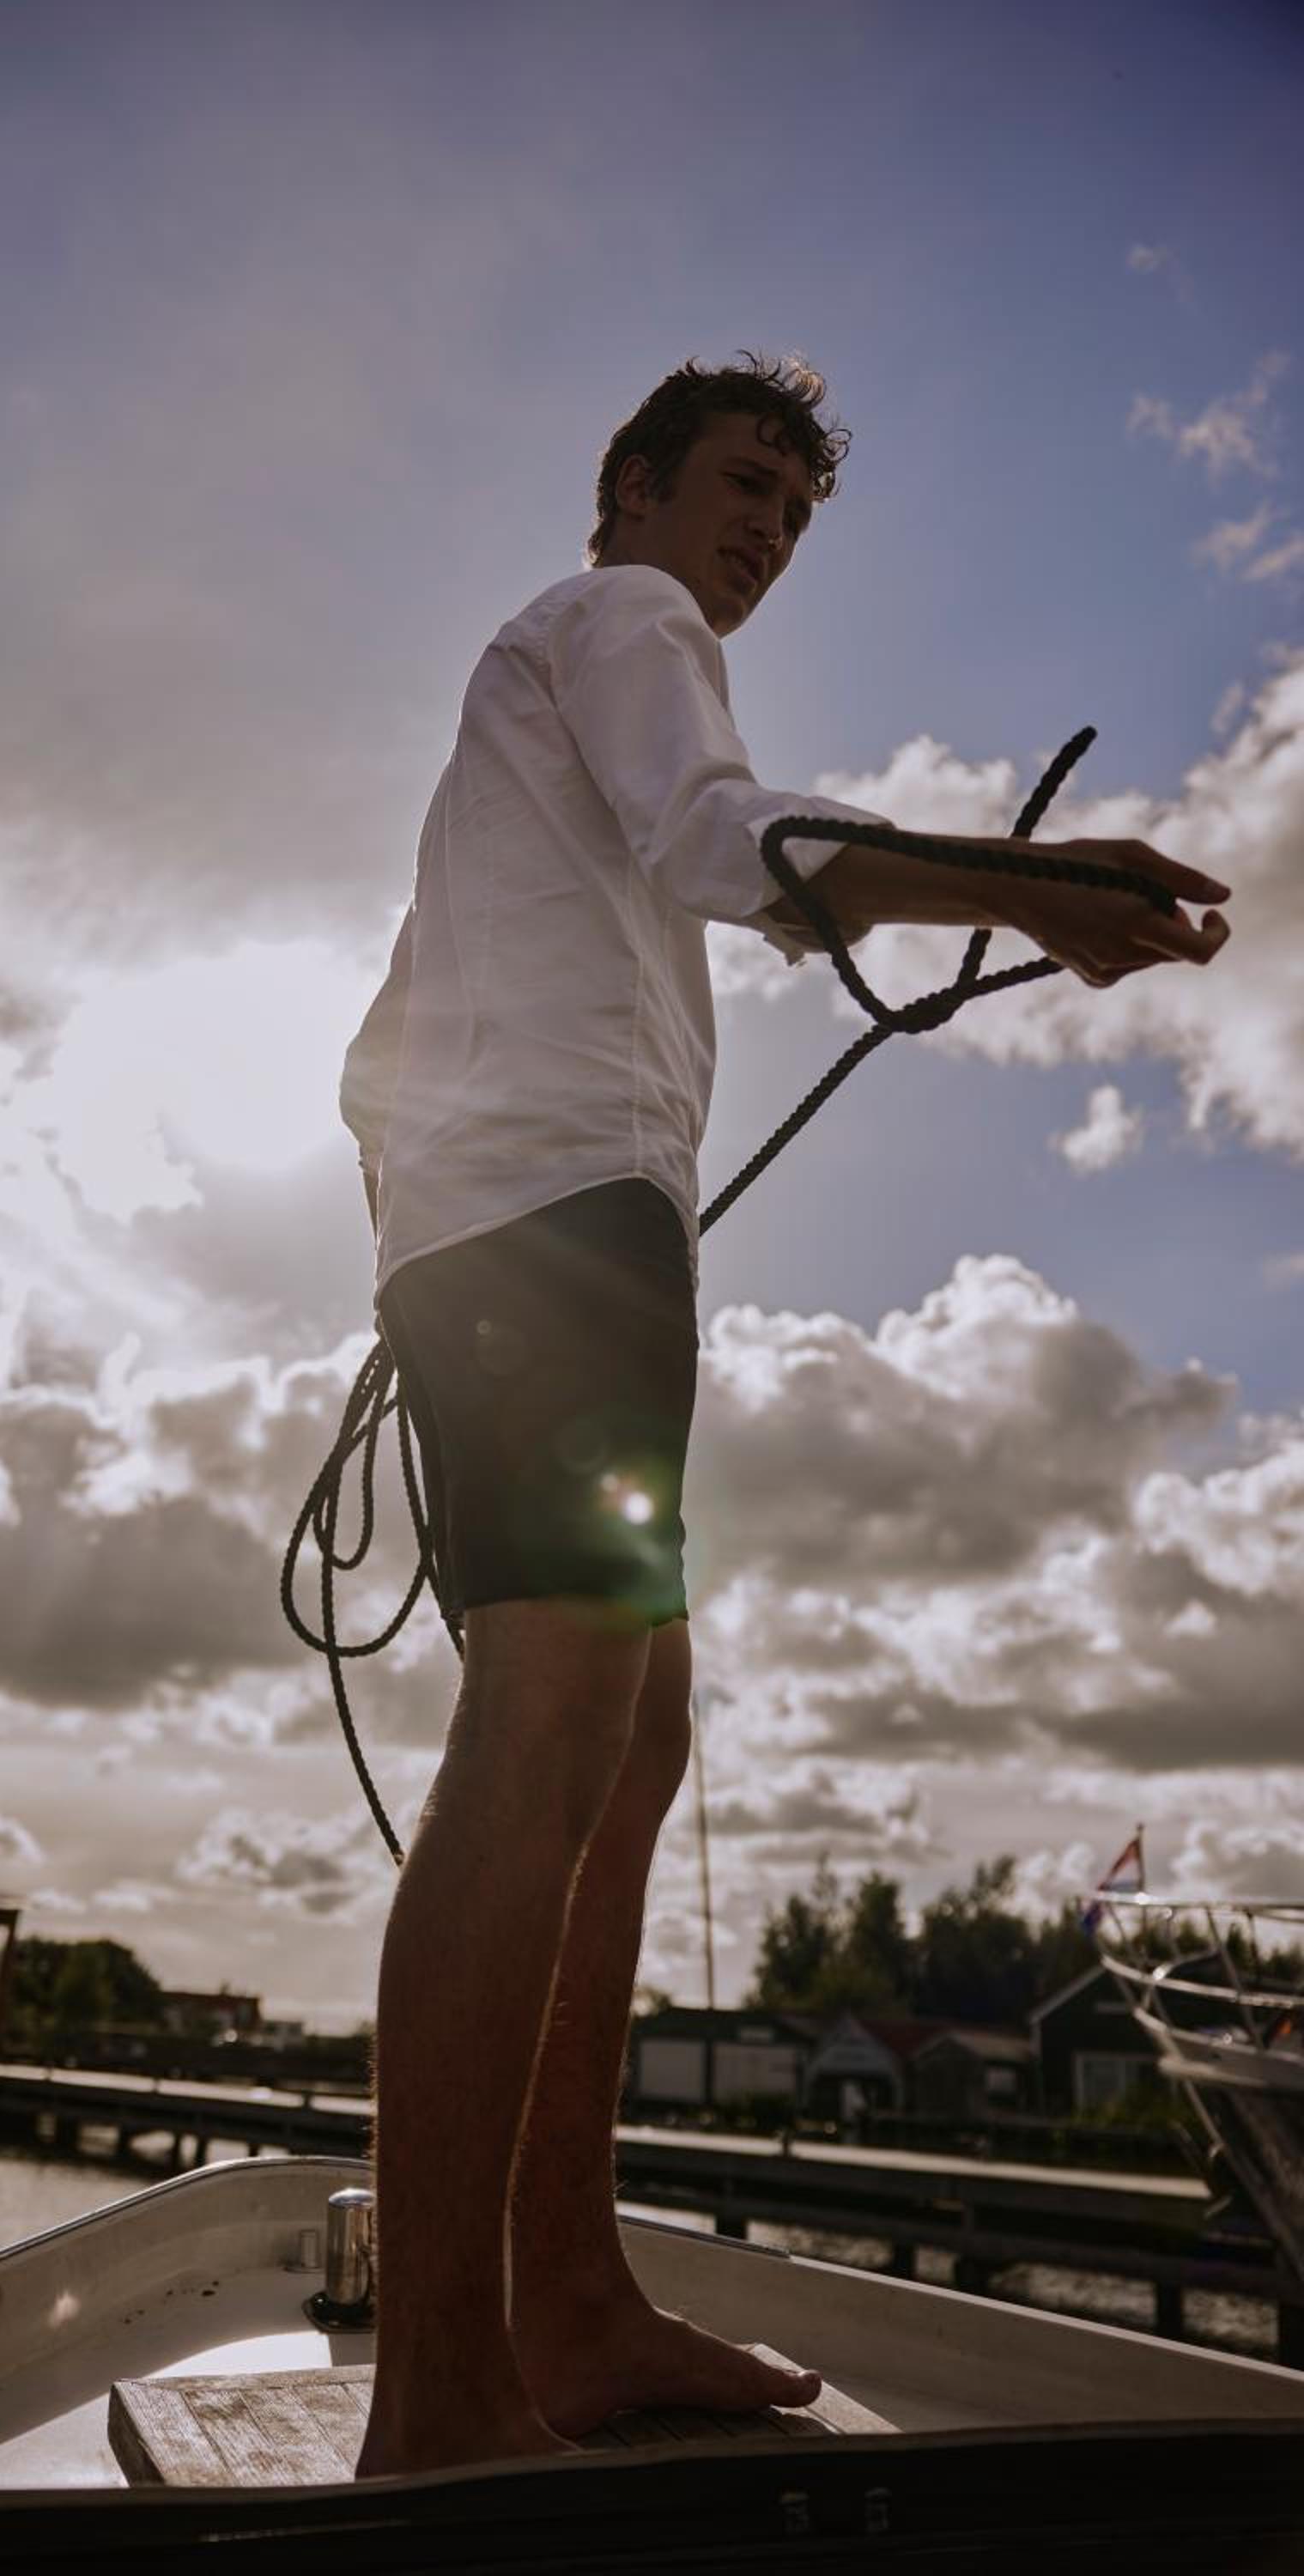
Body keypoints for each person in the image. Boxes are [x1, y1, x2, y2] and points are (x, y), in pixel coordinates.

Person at [337, 355, 1233, 2482]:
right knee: (555, 1719)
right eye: (742, 483)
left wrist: (443, 1226)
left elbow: (417, 1028)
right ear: (630, 486)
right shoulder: (621, 616)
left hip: (548, 1220)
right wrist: (1021, 883)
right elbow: (721, 837)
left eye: (795, 513)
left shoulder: (560, 675)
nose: (764, 533)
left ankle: (570, 2306)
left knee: (630, 1738)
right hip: (551, 1220)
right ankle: (443, 2391)